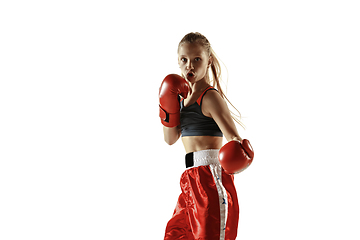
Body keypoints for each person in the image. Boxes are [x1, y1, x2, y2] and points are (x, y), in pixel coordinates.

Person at [159, 32, 254, 240]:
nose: (189, 66)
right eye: (184, 60)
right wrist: (166, 106)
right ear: (178, 61)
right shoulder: (180, 99)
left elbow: (234, 138)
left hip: (210, 178)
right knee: (175, 236)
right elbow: (170, 139)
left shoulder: (209, 96)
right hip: (189, 179)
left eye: (196, 60)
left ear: (208, 61)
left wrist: (240, 155)